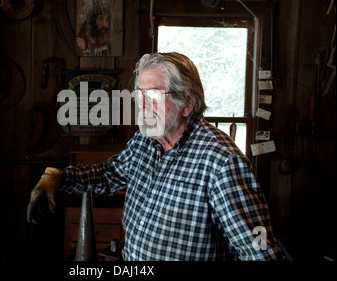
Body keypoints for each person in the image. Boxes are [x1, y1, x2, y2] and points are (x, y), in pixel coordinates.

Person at [27, 52, 285, 261]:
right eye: (139, 95)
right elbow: (111, 174)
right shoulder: (145, 139)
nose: (141, 105)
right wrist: (60, 178)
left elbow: (260, 253)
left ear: (187, 104)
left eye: (153, 95)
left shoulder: (221, 163)